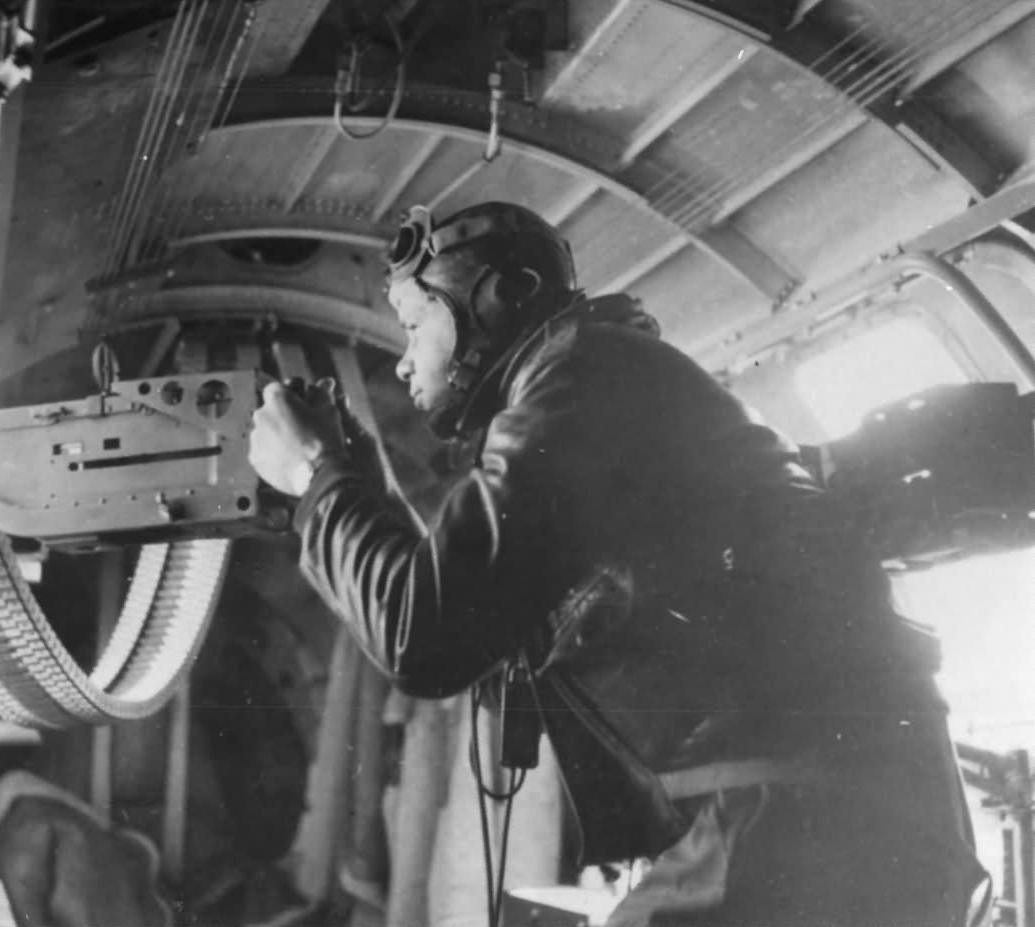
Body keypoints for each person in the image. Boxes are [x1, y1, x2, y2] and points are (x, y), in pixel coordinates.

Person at [248, 201, 989, 926]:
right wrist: (354, 477)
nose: (405, 357)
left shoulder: (580, 382)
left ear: (504, 298)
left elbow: (422, 636)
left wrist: (316, 476)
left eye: (414, 324)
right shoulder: (597, 380)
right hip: (828, 804)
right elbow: (452, 595)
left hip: (797, 813)